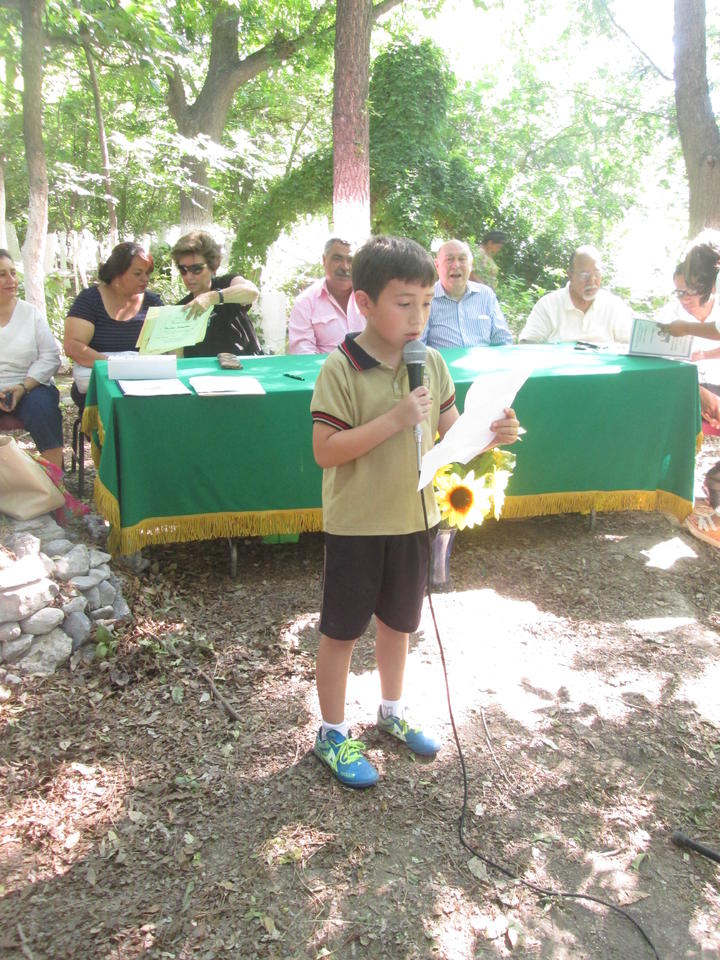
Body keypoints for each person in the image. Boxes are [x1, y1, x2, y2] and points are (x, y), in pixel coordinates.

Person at [310, 235, 520, 788]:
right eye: (404, 303)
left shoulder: (431, 362)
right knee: (341, 631)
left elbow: (450, 434)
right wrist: (396, 419)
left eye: (426, 303)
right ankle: (331, 732)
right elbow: (325, 450)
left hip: (416, 520)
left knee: (400, 624)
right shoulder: (342, 367)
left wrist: (492, 435)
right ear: (364, 303)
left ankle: (391, 710)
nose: (418, 317)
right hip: (356, 525)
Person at [658, 231, 720, 547]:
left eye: (694, 287)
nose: (686, 297)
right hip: (691, 387)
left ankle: (715, 489)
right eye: (680, 291)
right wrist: (700, 391)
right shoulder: (670, 317)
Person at [64, 242, 162, 402]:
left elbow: (167, 344)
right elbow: (73, 346)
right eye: (138, 273)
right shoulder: (90, 300)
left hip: (145, 384)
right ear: (117, 273)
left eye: (147, 273)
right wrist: (115, 366)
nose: (145, 279)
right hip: (100, 384)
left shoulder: (153, 303)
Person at [0, 250, 63, 469]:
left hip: (31, 385)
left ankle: (56, 486)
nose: (12, 280)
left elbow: (50, 357)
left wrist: (21, 387)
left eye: (13, 273)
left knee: (42, 408)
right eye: (2, 275)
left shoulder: (30, 314)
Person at [519, 245, 632, 347]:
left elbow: (630, 345)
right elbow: (527, 344)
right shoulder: (548, 305)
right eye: (584, 275)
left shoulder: (613, 305)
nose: (592, 281)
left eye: (597, 274)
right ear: (570, 275)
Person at [171, 231, 262, 357]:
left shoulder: (227, 283)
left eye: (196, 269)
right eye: (183, 270)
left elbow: (251, 293)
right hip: (201, 374)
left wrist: (210, 297)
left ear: (212, 266)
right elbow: (178, 357)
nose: (189, 276)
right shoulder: (181, 307)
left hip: (243, 368)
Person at [421, 239, 513, 349]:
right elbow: (419, 346)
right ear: (437, 265)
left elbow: (503, 342)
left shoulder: (486, 295)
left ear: (471, 264)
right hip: (441, 365)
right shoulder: (426, 298)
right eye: (449, 259)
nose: (456, 265)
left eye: (462, 259)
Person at [288, 238, 365, 354]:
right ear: (324, 260)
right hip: (325, 370)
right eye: (337, 259)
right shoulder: (305, 303)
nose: (345, 267)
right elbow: (303, 354)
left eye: (350, 260)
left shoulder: (370, 296)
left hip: (369, 370)